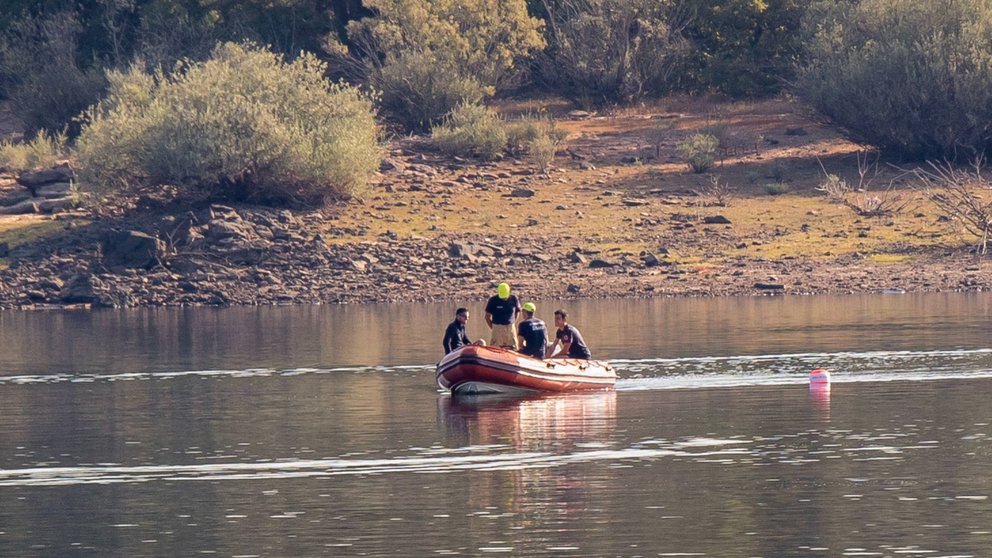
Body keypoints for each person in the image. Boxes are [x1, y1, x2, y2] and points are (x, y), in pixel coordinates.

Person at [485, 282, 521, 350]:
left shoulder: (514, 299)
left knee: (514, 347)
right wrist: (494, 328)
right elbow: (487, 317)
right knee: (495, 349)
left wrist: (512, 323)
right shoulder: (493, 300)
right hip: (497, 327)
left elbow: (517, 312)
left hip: (510, 327)